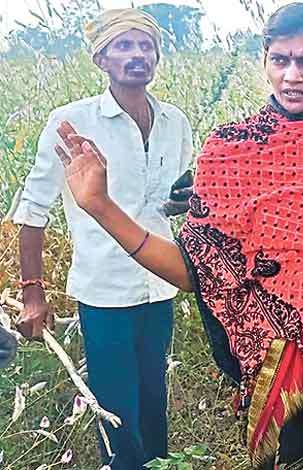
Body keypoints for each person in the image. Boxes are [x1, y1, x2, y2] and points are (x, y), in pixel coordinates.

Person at [54, 3, 303, 469]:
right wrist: (100, 206)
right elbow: (194, 273)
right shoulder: (232, 150)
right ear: (265, 62)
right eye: (280, 59)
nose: (292, 75)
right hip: (277, 362)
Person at [12, 9, 194, 469]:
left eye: (146, 46)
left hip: (160, 286)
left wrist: (183, 204)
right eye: (123, 46)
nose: (137, 55)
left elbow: (176, 199)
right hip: (104, 292)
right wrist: (33, 295)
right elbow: (32, 212)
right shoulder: (72, 121)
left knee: (154, 397)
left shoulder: (175, 122)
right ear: (101, 60)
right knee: (116, 410)